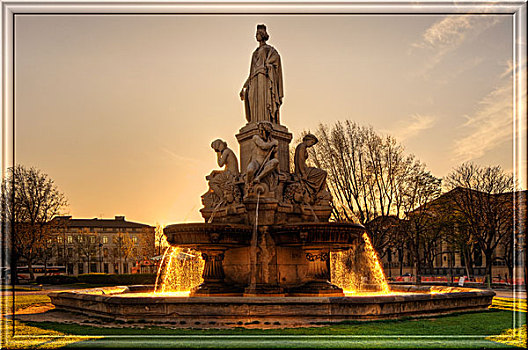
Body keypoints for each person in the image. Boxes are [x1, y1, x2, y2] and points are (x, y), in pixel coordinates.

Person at [240, 24, 283, 124]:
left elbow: (276, 59)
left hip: (263, 78)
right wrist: (244, 86)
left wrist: (268, 65)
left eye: (257, 34)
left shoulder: (269, 49)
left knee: (263, 101)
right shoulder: (255, 52)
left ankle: (265, 120)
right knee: (251, 100)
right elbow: (251, 72)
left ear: (262, 34)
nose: (256, 36)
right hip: (253, 79)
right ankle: (254, 121)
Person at [294, 134, 328, 203]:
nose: (311, 145)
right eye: (312, 142)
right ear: (307, 139)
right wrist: (303, 173)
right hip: (302, 170)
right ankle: (318, 191)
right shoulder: (302, 146)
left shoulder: (301, 147)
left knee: (321, 172)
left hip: (303, 169)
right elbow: (299, 160)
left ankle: (317, 191)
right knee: (323, 173)